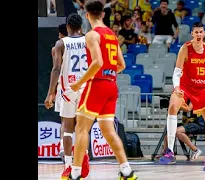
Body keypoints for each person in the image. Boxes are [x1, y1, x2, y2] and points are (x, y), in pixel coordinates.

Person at [69, 0, 138, 179]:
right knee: (108, 131)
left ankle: (75, 174)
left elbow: (97, 62)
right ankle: (127, 171)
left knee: (81, 129)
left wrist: (78, 83)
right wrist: (108, 72)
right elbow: (121, 64)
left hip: (97, 85)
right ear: (103, 14)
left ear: (87, 15)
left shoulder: (92, 35)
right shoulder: (112, 35)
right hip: (111, 85)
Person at [159, 22, 205, 172]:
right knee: (172, 106)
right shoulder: (185, 48)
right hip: (185, 87)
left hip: (202, 89)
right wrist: (177, 87)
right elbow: (177, 72)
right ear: (192, 33)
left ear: (204, 34)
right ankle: (170, 151)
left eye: (201, 32)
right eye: (196, 32)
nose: (199, 35)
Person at [44, 13, 90, 179]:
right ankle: (84, 157)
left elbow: (56, 69)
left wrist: (50, 93)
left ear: (68, 27)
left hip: (69, 89)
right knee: (83, 127)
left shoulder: (61, 43)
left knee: (68, 128)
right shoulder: (89, 41)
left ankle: (69, 166)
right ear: (81, 27)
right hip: (86, 88)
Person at [50, 24, 68, 161]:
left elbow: (56, 69)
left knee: (64, 120)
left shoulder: (56, 48)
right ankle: (81, 150)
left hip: (62, 85)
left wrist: (52, 92)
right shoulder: (80, 45)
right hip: (77, 84)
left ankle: (62, 146)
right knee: (79, 121)